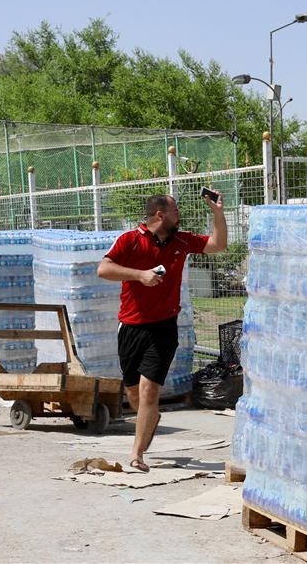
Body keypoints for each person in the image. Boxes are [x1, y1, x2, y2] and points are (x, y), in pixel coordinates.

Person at [98, 190, 227, 472]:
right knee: (133, 393)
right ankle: (149, 420)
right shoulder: (130, 240)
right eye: (175, 211)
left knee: (148, 391)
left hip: (164, 328)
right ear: (160, 214)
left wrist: (217, 212)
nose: (179, 216)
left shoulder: (182, 240)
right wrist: (139, 275)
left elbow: (218, 245)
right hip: (131, 327)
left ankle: (137, 454)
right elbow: (103, 270)